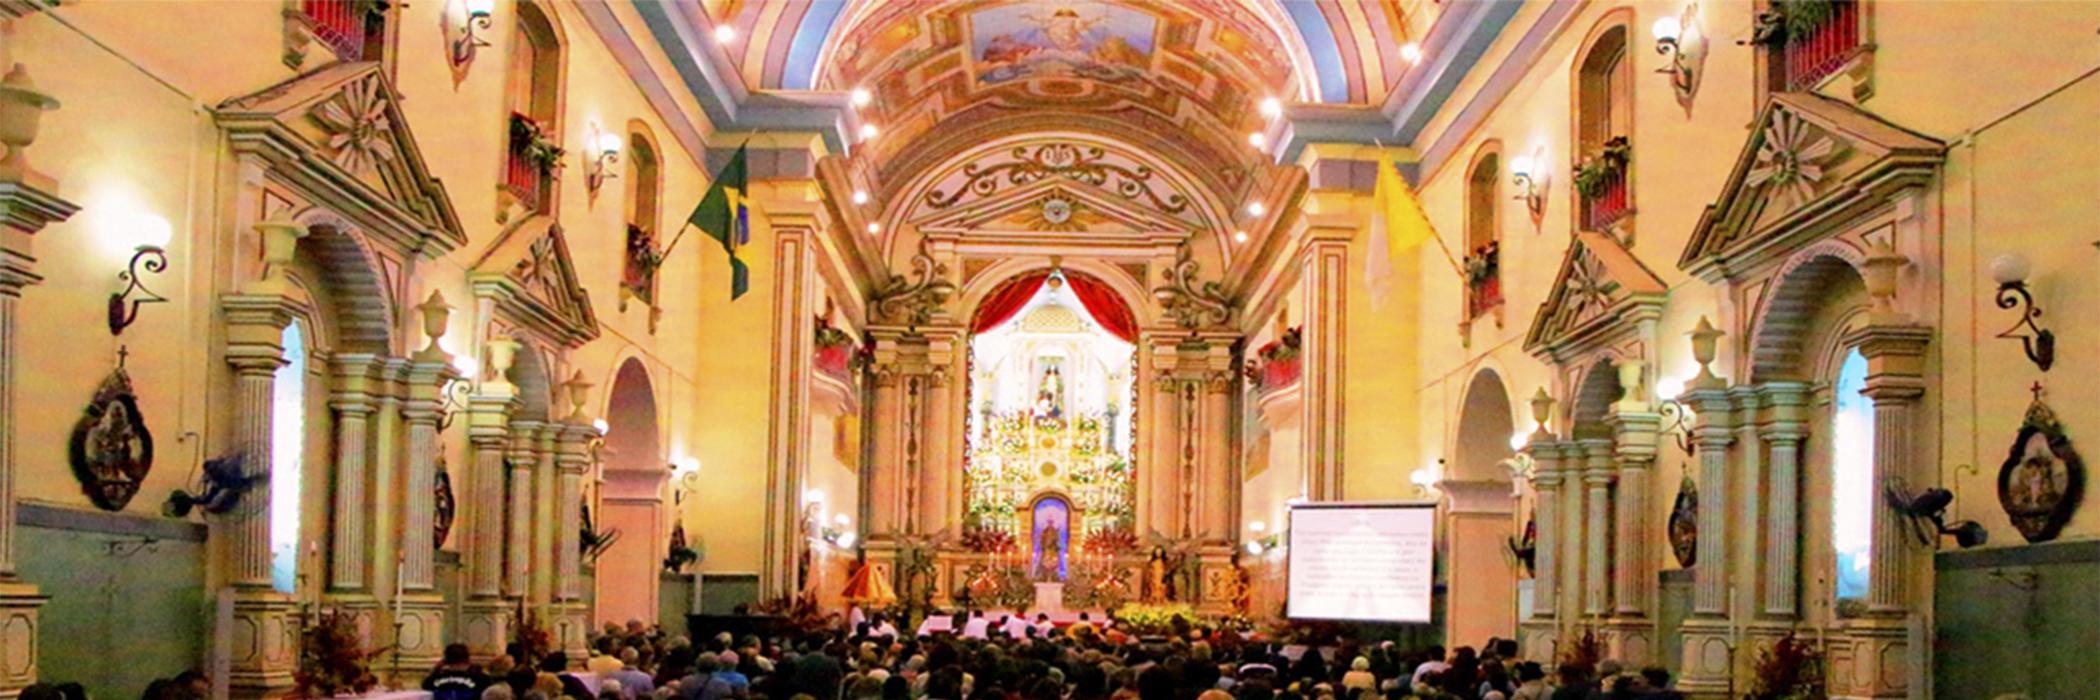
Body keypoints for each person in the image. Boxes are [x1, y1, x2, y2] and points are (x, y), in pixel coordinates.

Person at [427, 644, 492, 700]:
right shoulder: (479, 678)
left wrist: (437, 669)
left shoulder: (434, 679)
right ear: (467, 659)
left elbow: (426, 687)